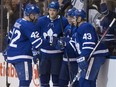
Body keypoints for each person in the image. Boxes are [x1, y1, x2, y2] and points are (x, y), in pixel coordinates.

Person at [3, 4, 43, 87]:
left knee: (25, 80)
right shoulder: (29, 25)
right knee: (25, 81)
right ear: (30, 14)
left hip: (12, 54)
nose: (36, 17)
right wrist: (51, 41)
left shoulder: (19, 21)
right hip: (21, 56)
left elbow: (9, 37)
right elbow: (37, 43)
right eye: (35, 15)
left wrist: (7, 49)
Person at [72, 9, 109, 87]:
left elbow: (89, 44)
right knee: (89, 81)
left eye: (74, 17)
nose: (72, 20)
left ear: (79, 18)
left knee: (84, 81)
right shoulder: (78, 29)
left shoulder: (86, 26)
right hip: (92, 56)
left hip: (94, 55)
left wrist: (83, 57)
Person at [36, 1, 68, 86]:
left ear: (58, 11)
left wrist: (60, 42)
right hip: (44, 55)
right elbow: (36, 36)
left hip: (57, 55)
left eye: (54, 10)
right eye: (50, 10)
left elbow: (66, 36)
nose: (52, 12)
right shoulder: (41, 20)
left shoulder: (63, 21)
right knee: (44, 80)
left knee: (56, 80)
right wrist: (35, 50)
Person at [57, 8, 80, 87]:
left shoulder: (78, 29)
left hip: (74, 61)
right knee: (62, 83)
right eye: (68, 16)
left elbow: (76, 45)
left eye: (72, 17)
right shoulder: (67, 28)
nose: (69, 19)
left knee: (75, 84)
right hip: (65, 60)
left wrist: (67, 42)